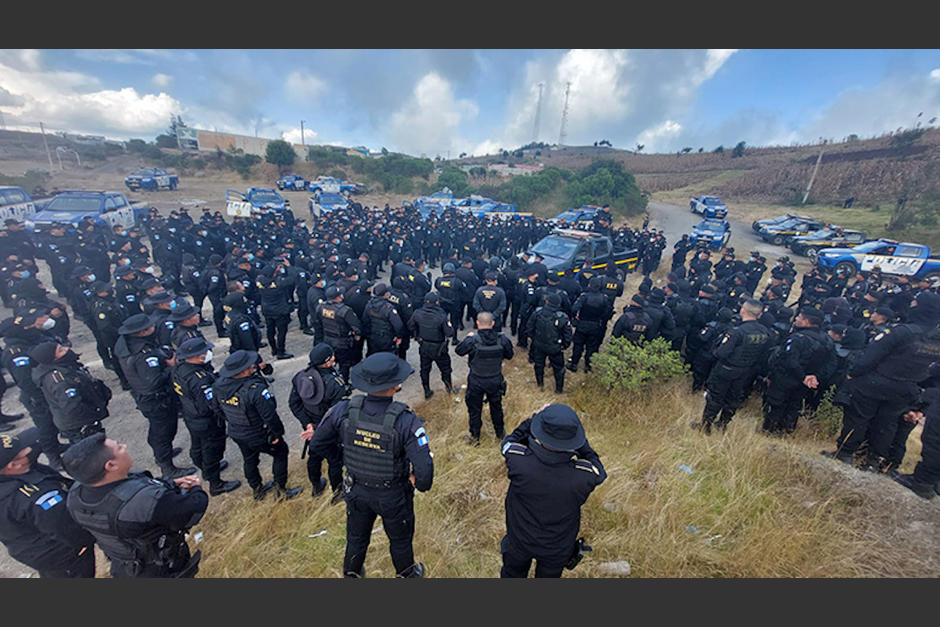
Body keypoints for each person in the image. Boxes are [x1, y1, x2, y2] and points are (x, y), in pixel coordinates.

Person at [309, 353, 433, 578]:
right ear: (396, 386)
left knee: (356, 538)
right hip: (393, 494)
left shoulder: (342, 410)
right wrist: (415, 482)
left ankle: (352, 574)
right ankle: (407, 575)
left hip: (356, 489)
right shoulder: (406, 421)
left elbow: (317, 444)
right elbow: (425, 475)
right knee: (400, 541)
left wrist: (343, 457)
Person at [63, 434, 207, 578]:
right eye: (119, 447)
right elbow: (192, 510)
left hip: (124, 565)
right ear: (111, 465)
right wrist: (195, 488)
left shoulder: (76, 495)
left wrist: (170, 483)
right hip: (160, 568)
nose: (124, 446)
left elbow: (136, 486)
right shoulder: (143, 501)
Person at [500, 404, 606, 578]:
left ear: (540, 432)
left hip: (519, 540)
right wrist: (577, 440)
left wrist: (535, 419)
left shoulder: (518, 461)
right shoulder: (583, 476)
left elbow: (509, 441)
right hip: (556, 548)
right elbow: (599, 469)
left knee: (512, 574)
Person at [0, 427, 96, 577]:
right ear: (13, 465)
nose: (30, 448)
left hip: (30, 545)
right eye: (23, 450)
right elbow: (65, 527)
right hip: (62, 554)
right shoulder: (38, 497)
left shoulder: (21, 472)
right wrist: (85, 543)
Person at [114, 313, 196, 480]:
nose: (154, 327)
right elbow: (154, 381)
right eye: (149, 327)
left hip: (146, 397)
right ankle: (167, 467)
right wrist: (171, 367)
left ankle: (162, 454)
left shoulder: (128, 346)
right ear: (142, 332)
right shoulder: (144, 354)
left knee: (158, 430)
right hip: (157, 399)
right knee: (163, 431)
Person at [215, 350, 302, 501]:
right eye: (249, 365)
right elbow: (269, 416)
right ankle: (281, 491)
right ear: (243, 371)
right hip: (258, 434)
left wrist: (233, 422)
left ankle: (257, 490)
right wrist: (276, 434)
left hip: (237, 432)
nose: (252, 366)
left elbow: (217, 409)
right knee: (281, 453)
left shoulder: (219, 385)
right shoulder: (255, 390)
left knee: (249, 459)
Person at [170, 338, 241, 496]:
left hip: (191, 416)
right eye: (204, 351)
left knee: (197, 445)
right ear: (198, 356)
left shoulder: (180, 368)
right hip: (207, 420)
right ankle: (215, 483)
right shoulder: (199, 379)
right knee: (212, 450)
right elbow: (208, 403)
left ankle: (205, 469)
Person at [692, 299, 771, 434]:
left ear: (743, 311)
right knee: (733, 398)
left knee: (715, 397)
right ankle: (722, 424)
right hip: (746, 371)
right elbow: (765, 354)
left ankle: (706, 426)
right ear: (759, 315)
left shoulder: (737, 332)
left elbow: (721, 352)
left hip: (726, 369)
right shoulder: (764, 332)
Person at [289, 343, 349, 503]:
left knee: (314, 456)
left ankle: (316, 486)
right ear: (328, 361)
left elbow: (294, 403)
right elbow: (338, 413)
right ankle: (338, 493)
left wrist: (308, 424)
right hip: (328, 428)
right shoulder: (335, 384)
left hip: (311, 427)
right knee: (335, 460)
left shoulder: (301, 376)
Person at [762, 307, 836, 435]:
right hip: (806, 381)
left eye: (799, 317)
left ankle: (770, 430)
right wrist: (815, 377)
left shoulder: (798, 338)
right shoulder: (827, 340)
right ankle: (786, 430)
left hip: (787, 378)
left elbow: (790, 360)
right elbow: (831, 363)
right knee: (794, 404)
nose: (796, 319)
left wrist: (804, 376)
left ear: (806, 321)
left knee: (777, 403)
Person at [30, 341, 112, 445]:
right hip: (79, 424)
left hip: (78, 421)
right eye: (60, 350)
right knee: (93, 453)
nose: (66, 349)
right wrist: (93, 411)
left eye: (62, 347)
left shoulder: (65, 367)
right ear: (52, 359)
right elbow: (72, 407)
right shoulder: (60, 381)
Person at [455, 312, 514, 445]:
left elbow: (459, 351)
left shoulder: (472, 340)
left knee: (475, 410)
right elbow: (510, 355)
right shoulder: (502, 339)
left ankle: (475, 437)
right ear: (492, 323)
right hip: (495, 379)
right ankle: (500, 435)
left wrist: (467, 337)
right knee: (496, 407)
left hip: (476, 380)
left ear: (477, 323)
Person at [407, 292, 455, 399]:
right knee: (445, 369)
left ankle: (427, 391)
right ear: (437, 302)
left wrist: (418, 335)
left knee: (424, 369)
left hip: (424, 346)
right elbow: (449, 333)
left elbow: (410, 325)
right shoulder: (441, 315)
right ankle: (449, 389)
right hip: (439, 348)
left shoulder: (417, 313)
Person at [526, 293, 573, 393]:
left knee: (539, 365)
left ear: (546, 301)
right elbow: (568, 335)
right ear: (559, 305)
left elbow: (529, 327)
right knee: (559, 369)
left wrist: (534, 340)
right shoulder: (562, 317)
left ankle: (540, 384)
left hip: (539, 345)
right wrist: (564, 346)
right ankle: (558, 389)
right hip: (555, 347)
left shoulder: (537, 313)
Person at [314, 286, 362, 380]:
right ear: (339, 297)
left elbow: (317, 323)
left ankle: (331, 380)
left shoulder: (320, 307)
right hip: (342, 342)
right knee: (344, 364)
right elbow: (357, 327)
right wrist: (357, 337)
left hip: (327, 339)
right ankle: (344, 383)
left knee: (330, 362)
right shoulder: (345, 310)